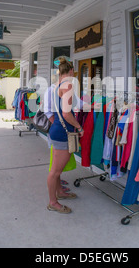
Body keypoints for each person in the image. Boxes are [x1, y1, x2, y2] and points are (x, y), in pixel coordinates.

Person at [47, 58, 84, 214]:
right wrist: (78, 126)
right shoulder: (68, 85)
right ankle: (53, 202)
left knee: (57, 170)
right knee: (55, 172)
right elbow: (66, 114)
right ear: (70, 71)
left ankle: (60, 193)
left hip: (56, 130)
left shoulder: (56, 86)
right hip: (63, 133)